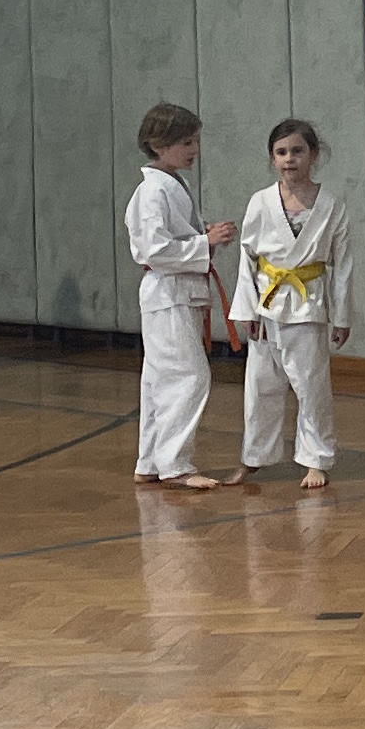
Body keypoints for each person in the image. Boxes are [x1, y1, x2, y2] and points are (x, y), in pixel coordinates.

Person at [225, 117, 354, 491]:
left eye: (297, 151)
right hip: (267, 305)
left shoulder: (332, 205)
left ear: (313, 155)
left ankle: (315, 460)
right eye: (281, 152)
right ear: (272, 158)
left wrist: (341, 316)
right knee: (261, 387)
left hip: (308, 305)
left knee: (311, 386)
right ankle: (254, 458)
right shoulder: (260, 202)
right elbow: (247, 258)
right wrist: (246, 310)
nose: (289, 159)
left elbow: (343, 266)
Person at [125, 102, 236, 489]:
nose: (194, 149)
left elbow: (173, 240)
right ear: (159, 144)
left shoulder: (171, 184)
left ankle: (150, 461)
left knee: (159, 379)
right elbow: (154, 250)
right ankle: (175, 465)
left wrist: (202, 235)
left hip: (176, 293)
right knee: (188, 377)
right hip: (166, 293)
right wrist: (204, 242)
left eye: (196, 141)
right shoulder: (151, 191)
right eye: (185, 142)